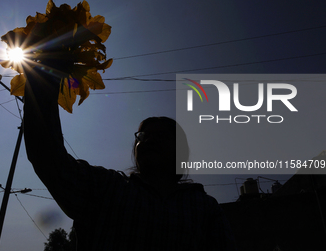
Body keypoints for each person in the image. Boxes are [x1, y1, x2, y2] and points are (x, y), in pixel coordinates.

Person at [23, 66, 236, 250]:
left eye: (160, 136)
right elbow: (49, 159)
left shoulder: (205, 208)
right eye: (143, 136)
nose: (148, 141)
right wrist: (42, 78)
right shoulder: (107, 188)